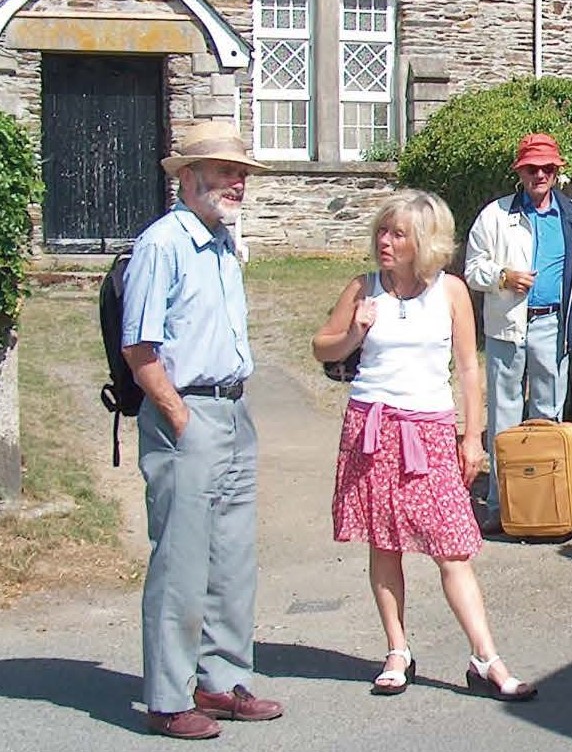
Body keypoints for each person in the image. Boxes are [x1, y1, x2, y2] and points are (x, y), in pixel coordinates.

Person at [313, 190, 537, 702]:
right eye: (382, 232)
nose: (384, 242)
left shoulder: (452, 291)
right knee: (384, 543)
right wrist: (355, 331)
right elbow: (322, 347)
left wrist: (474, 436)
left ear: (424, 242)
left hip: (430, 431)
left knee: (452, 547)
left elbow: (468, 367)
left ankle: (487, 659)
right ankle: (397, 651)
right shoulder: (363, 288)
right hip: (371, 427)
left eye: (397, 234)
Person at [120, 120, 283, 740]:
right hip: (184, 411)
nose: (236, 182)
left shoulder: (221, 245)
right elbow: (140, 348)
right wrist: (179, 415)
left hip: (234, 412)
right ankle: (167, 696)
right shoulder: (163, 244)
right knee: (182, 562)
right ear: (187, 177)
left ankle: (221, 681)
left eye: (240, 172)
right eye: (223, 171)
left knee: (232, 559)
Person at [464, 133, 572, 527]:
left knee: (549, 415)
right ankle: (503, 506)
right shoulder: (495, 215)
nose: (540, 175)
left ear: (557, 172)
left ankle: (547, 502)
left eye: (548, 168)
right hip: (508, 326)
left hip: (553, 323)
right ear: (519, 171)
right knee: (505, 417)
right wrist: (503, 276)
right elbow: (471, 270)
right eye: (532, 168)